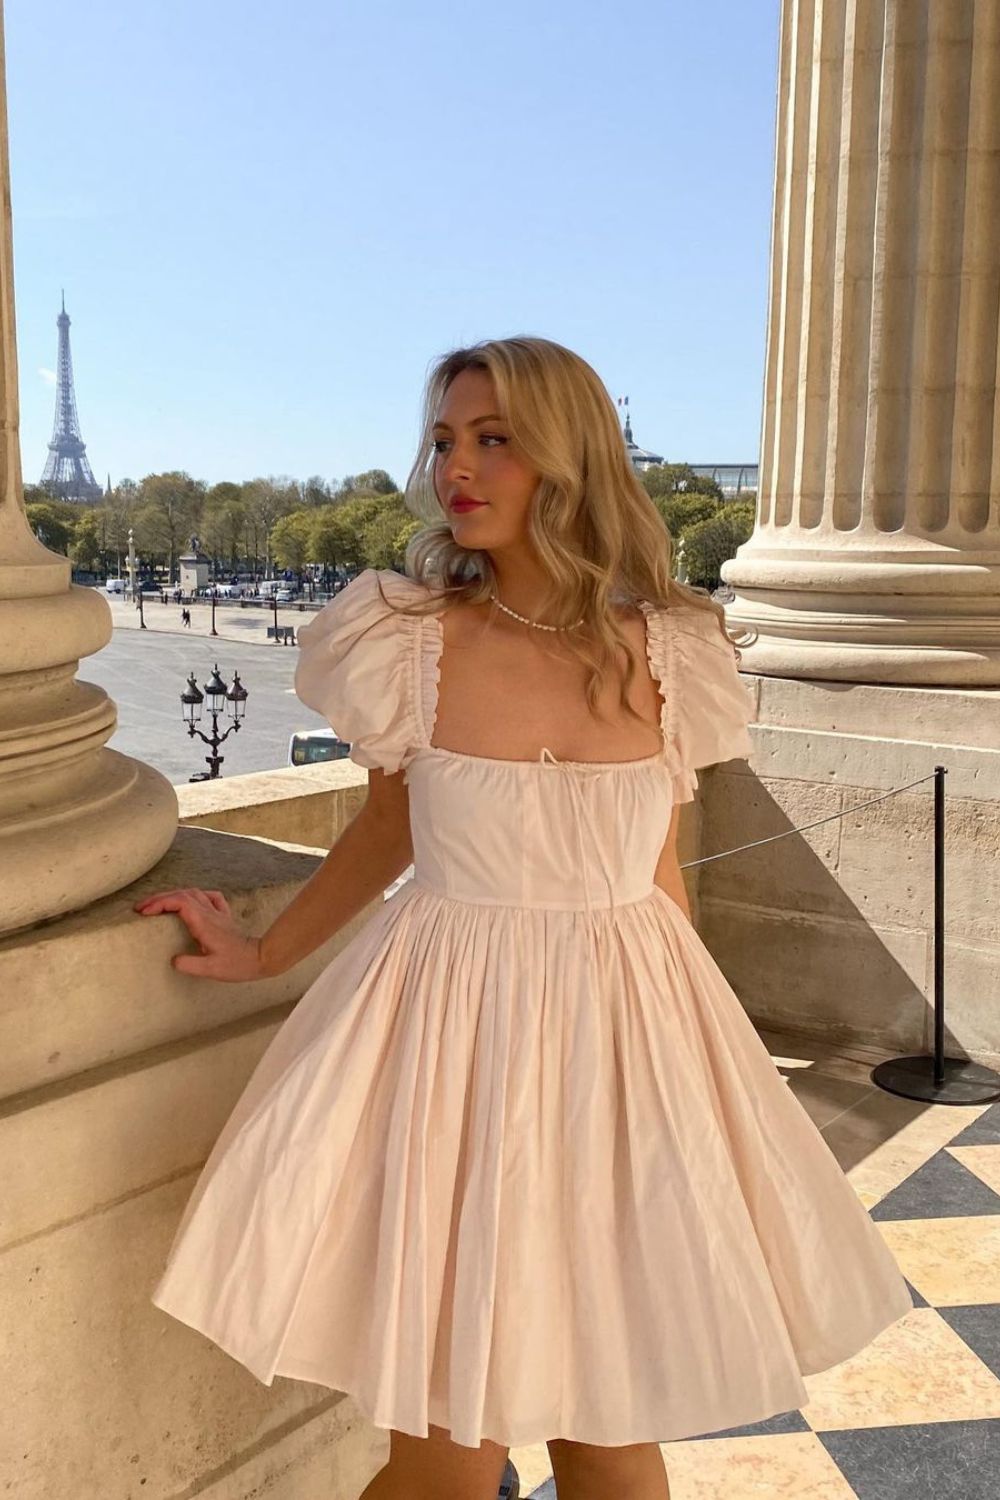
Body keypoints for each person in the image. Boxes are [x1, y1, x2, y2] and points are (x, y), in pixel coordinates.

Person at [134, 336, 913, 1500]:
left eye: (494, 438)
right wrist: (264, 953)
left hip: (627, 1039)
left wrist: (704, 1062)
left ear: (571, 455)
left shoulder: (677, 651)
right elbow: (387, 831)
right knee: (451, 1449)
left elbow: (658, 873)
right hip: (449, 1041)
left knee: (608, 1429)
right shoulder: (407, 639)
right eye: (445, 438)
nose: (459, 466)